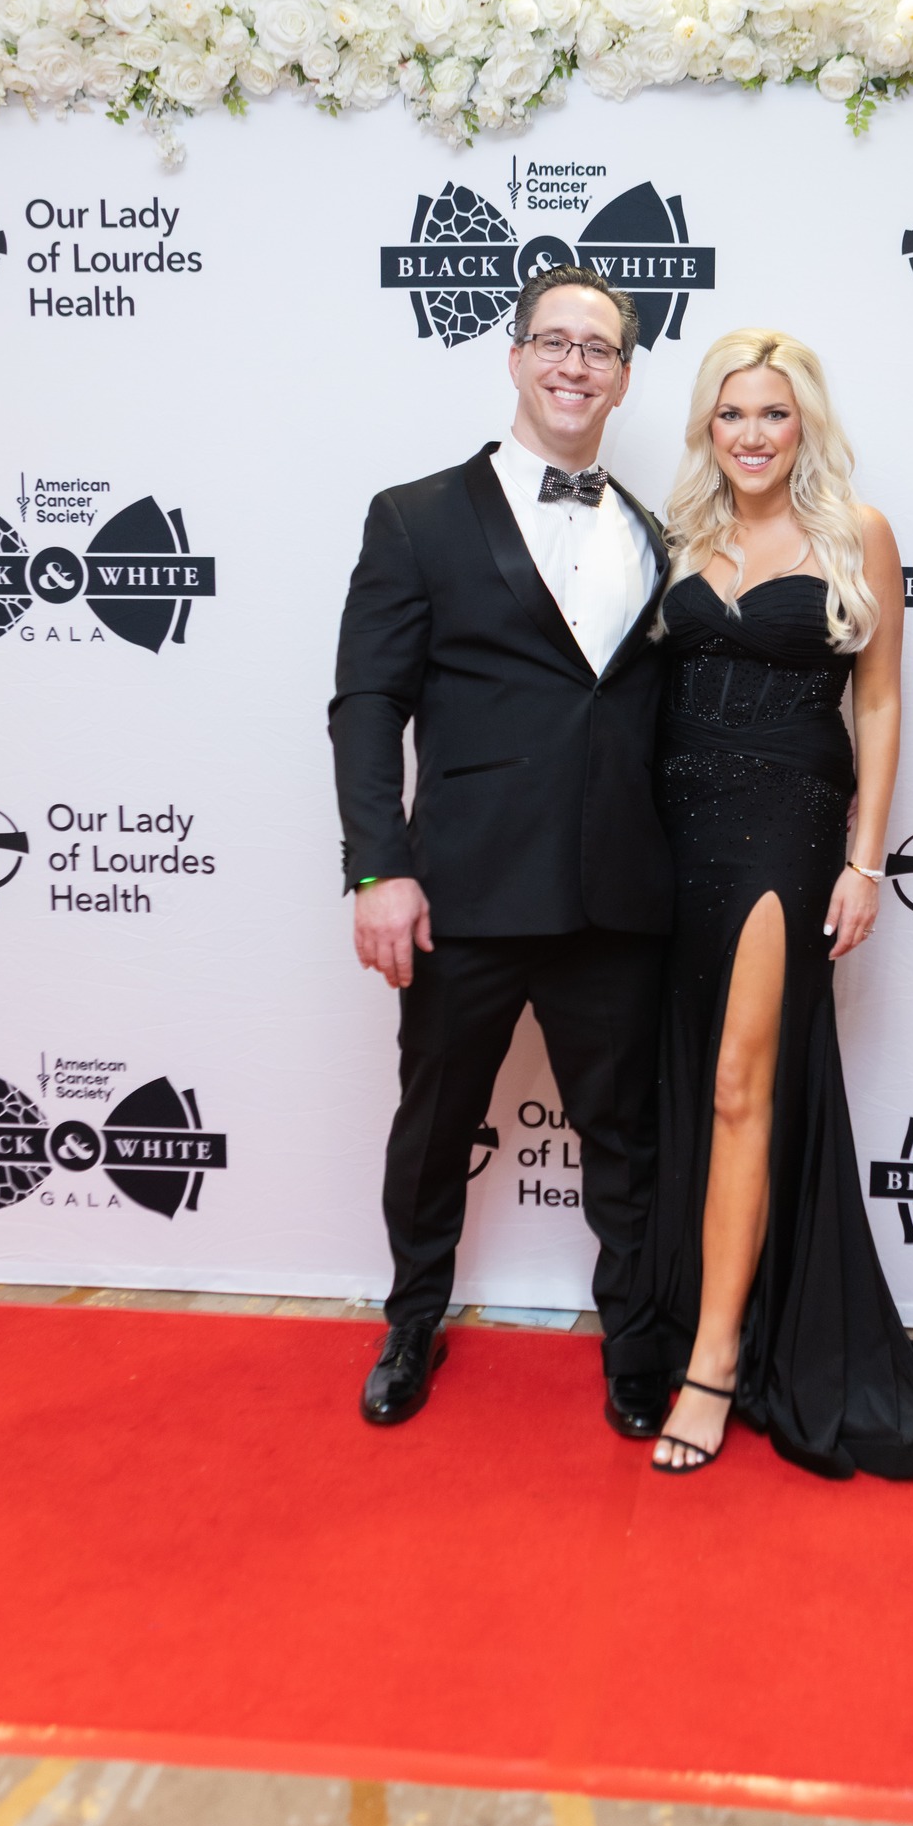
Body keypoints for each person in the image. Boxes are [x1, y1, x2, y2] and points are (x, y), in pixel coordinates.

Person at [634, 330, 913, 1478]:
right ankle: (707, 1310)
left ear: (807, 425)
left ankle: (714, 1362)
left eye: (774, 413)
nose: (752, 434)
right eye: (732, 412)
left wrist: (864, 861)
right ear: (707, 425)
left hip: (784, 828)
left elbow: (879, 702)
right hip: (672, 834)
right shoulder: (675, 536)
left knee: (741, 1084)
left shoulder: (858, 532)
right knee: (687, 1084)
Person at [329, 265, 674, 1439]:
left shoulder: (655, 534)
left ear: (624, 378)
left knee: (624, 1138)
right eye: (555, 341)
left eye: (600, 347)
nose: (576, 363)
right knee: (435, 1125)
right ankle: (412, 1319)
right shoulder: (416, 514)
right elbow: (367, 703)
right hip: (462, 890)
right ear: (516, 356)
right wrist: (378, 867)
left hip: (614, 895)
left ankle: (637, 1342)